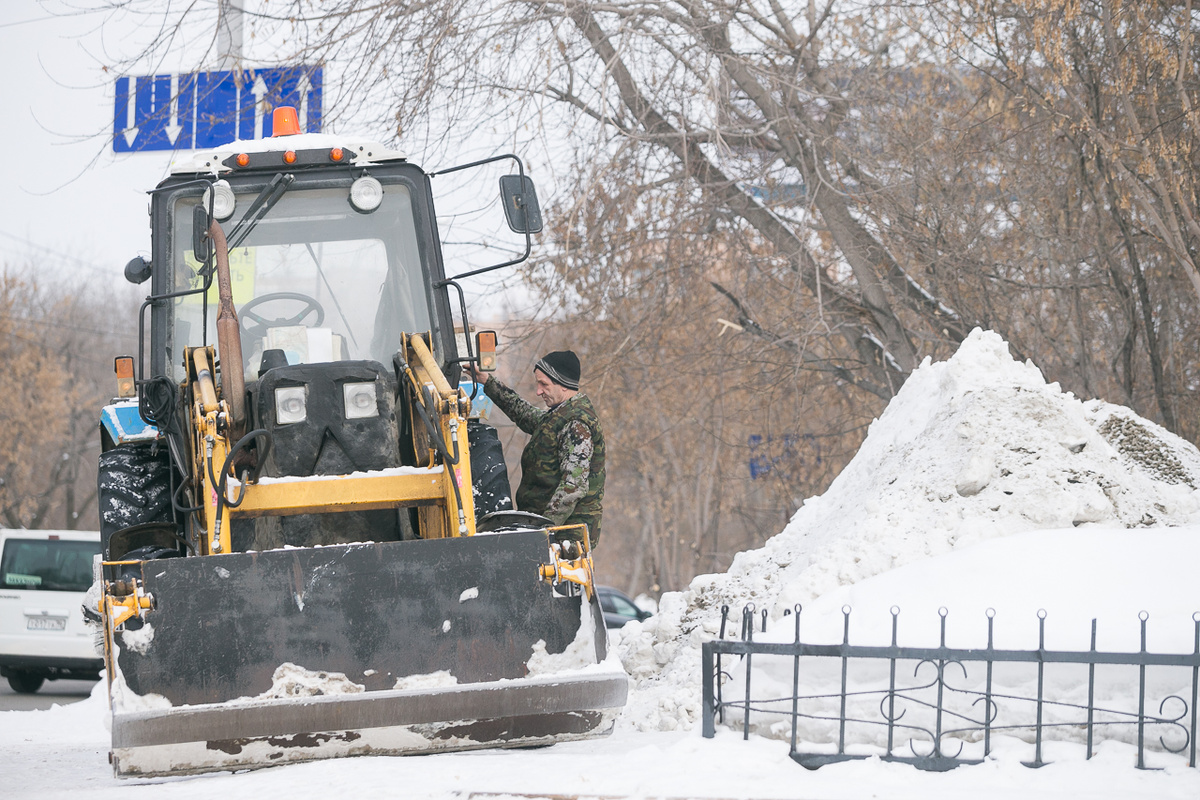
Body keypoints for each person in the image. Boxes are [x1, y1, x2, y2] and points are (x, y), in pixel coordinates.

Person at [470, 350, 606, 548]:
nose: (538, 391)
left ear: (564, 385)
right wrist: (487, 381)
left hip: (565, 538)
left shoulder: (576, 425)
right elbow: (524, 413)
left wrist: (544, 531)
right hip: (549, 533)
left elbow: (574, 486)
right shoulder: (558, 417)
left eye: (544, 384)